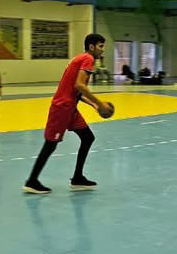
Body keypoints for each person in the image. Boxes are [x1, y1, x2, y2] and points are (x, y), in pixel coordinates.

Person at [23, 34, 111, 194]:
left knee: (88, 137)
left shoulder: (80, 58)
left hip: (70, 108)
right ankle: (32, 182)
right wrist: (100, 103)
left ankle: (77, 178)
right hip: (62, 108)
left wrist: (93, 105)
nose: (103, 50)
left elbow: (76, 90)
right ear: (91, 47)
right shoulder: (88, 59)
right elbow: (80, 85)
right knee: (50, 144)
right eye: (101, 46)